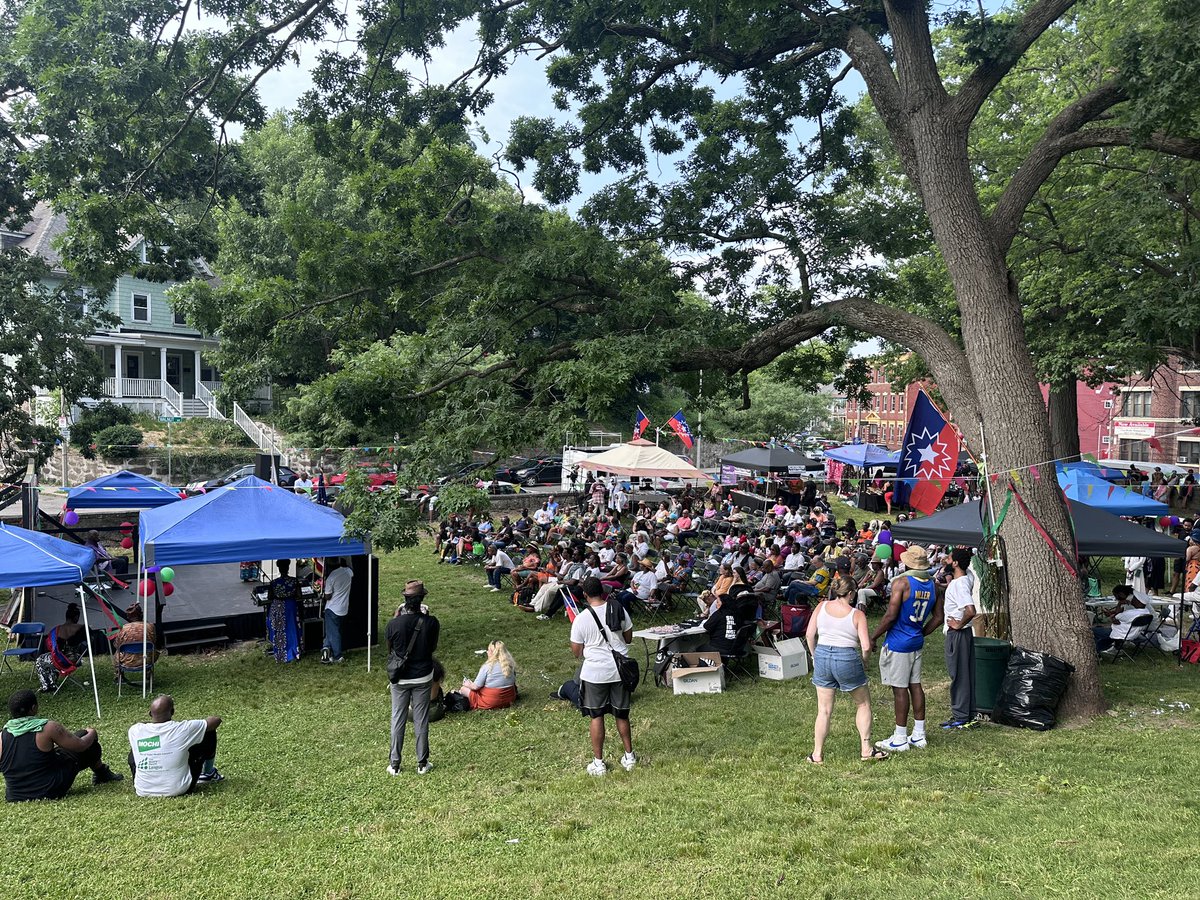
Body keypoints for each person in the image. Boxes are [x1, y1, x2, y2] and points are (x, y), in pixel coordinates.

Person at [805, 576, 887, 763]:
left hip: (823, 655)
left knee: (824, 710)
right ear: (851, 593)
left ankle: (817, 754)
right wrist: (865, 663)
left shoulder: (821, 607)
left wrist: (814, 656)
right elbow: (866, 646)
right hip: (847, 657)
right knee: (863, 704)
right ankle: (866, 749)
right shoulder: (857, 614)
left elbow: (810, 635)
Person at [869, 545, 942, 751]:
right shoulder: (933, 585)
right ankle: (919, 733)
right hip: (916, 640)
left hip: (899, 641)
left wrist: (874, 636)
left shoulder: (902, 583)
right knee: (915, 685)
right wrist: (922, 632)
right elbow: (938, 617)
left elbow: (891, 615)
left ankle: (900, 736)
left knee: (899, 689)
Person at [0, 689, 123, 802]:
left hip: (15, 795)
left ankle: (102, 773)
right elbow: (82, 745)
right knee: (88, 741)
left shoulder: (2, 736)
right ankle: (102, 773)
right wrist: (92, 733)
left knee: (78, 736)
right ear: (33, 708)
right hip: (50, 789)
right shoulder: (47, 728)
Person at [569, 577, 636, 776]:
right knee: (621, 713)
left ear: (585, 595)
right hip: (619, 670)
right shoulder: (618, 609)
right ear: (604, 591)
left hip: (594, 672)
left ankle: (598, 763)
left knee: (596, 715)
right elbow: (629, 637)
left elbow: (576, 651)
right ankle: (629, 756)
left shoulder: (581, 618)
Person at [385, 581, 440, 775]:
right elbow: (432, 647)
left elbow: (391, 650)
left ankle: (395, 764)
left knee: (398, 718)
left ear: (404, 600)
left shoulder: (394, 624)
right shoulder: (432, 622)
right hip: (423, 675)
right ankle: (422, 763)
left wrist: (395, 618)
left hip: (400, 678)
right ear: (422, 599)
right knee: (421, 719)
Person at [128, 694, 223, 796]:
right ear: (172, 712)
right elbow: (216, 721)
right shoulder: (183, 729)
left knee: (136, 749)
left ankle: (149, 779)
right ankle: (208, 773)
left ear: (150, 713)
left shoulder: (135, 730)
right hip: (178, 789)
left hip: (143, 790)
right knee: (208, 731)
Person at [942, 548, 977, 728]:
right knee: (966, 673)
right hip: (964, 634)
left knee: (958, 674)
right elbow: (967, 569)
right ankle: (968, 713)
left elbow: (971, 611)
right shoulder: (967, 577)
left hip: (958, 634)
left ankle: (960, 716)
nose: (945, 560)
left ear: (955, 563)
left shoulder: (959, 584)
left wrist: (958, 624)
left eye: (949, 558)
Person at [34, 602, 87, 693]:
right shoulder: (83, 628)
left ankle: (47, 685)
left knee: (40, 660)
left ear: (66, 616)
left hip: (61, 660)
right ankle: (52, 682)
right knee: (51, 658)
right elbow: (90, 642)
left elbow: (49, 646)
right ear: (76, 617)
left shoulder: (57, 630)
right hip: (76, 659)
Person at [1092, 585, 1152, 653]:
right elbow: (1122, 616)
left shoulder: (1131, 613)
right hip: (1133, 633)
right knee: (1102, 630)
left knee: (1092, 631)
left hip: (1121, 634)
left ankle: (1096, 652)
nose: (1132, 600)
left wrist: (1119, 604)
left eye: (1134, 599)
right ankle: (1107, 647)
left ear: (1138, 601)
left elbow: (1116, 617)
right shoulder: (1146, 612)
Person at [461, 640, 518, 710]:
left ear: (492, 653)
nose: (487, 652)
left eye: (488, 650)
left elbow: (475, 687)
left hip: (491, 702)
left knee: (463, 689)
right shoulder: (510, 664)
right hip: (509, 699)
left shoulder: (487, 666)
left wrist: (467, 684)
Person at [111, 601, 160, 680]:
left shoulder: (123, 629)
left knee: (117, 653)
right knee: (150, 649)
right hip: (147, 660)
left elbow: (117, 645)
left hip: (127, 661)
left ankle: (118, 674)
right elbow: (154, 641)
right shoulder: (150, 626)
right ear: (141, 615)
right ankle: (148, 672)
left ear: (129, 617)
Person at [265, 560, 303, 663]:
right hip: (290, 606)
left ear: (279, 568)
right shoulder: (294, 581)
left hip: (278, 607)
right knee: (292, 629)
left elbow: (269, 597)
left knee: (279, 631)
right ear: (288, 568)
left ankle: (281, 655)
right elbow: (300, 596)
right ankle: (294, 652)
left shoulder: (273, 582)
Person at [321, 558, 354, 664]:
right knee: (332, 631)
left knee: (334, 633)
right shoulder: (348, 572)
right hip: (343, 608)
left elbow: (328, 596)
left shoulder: (331, 577)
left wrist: (322, 594)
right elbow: (351, 568)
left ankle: (338, 656)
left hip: (332, 609)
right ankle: (326, 651)